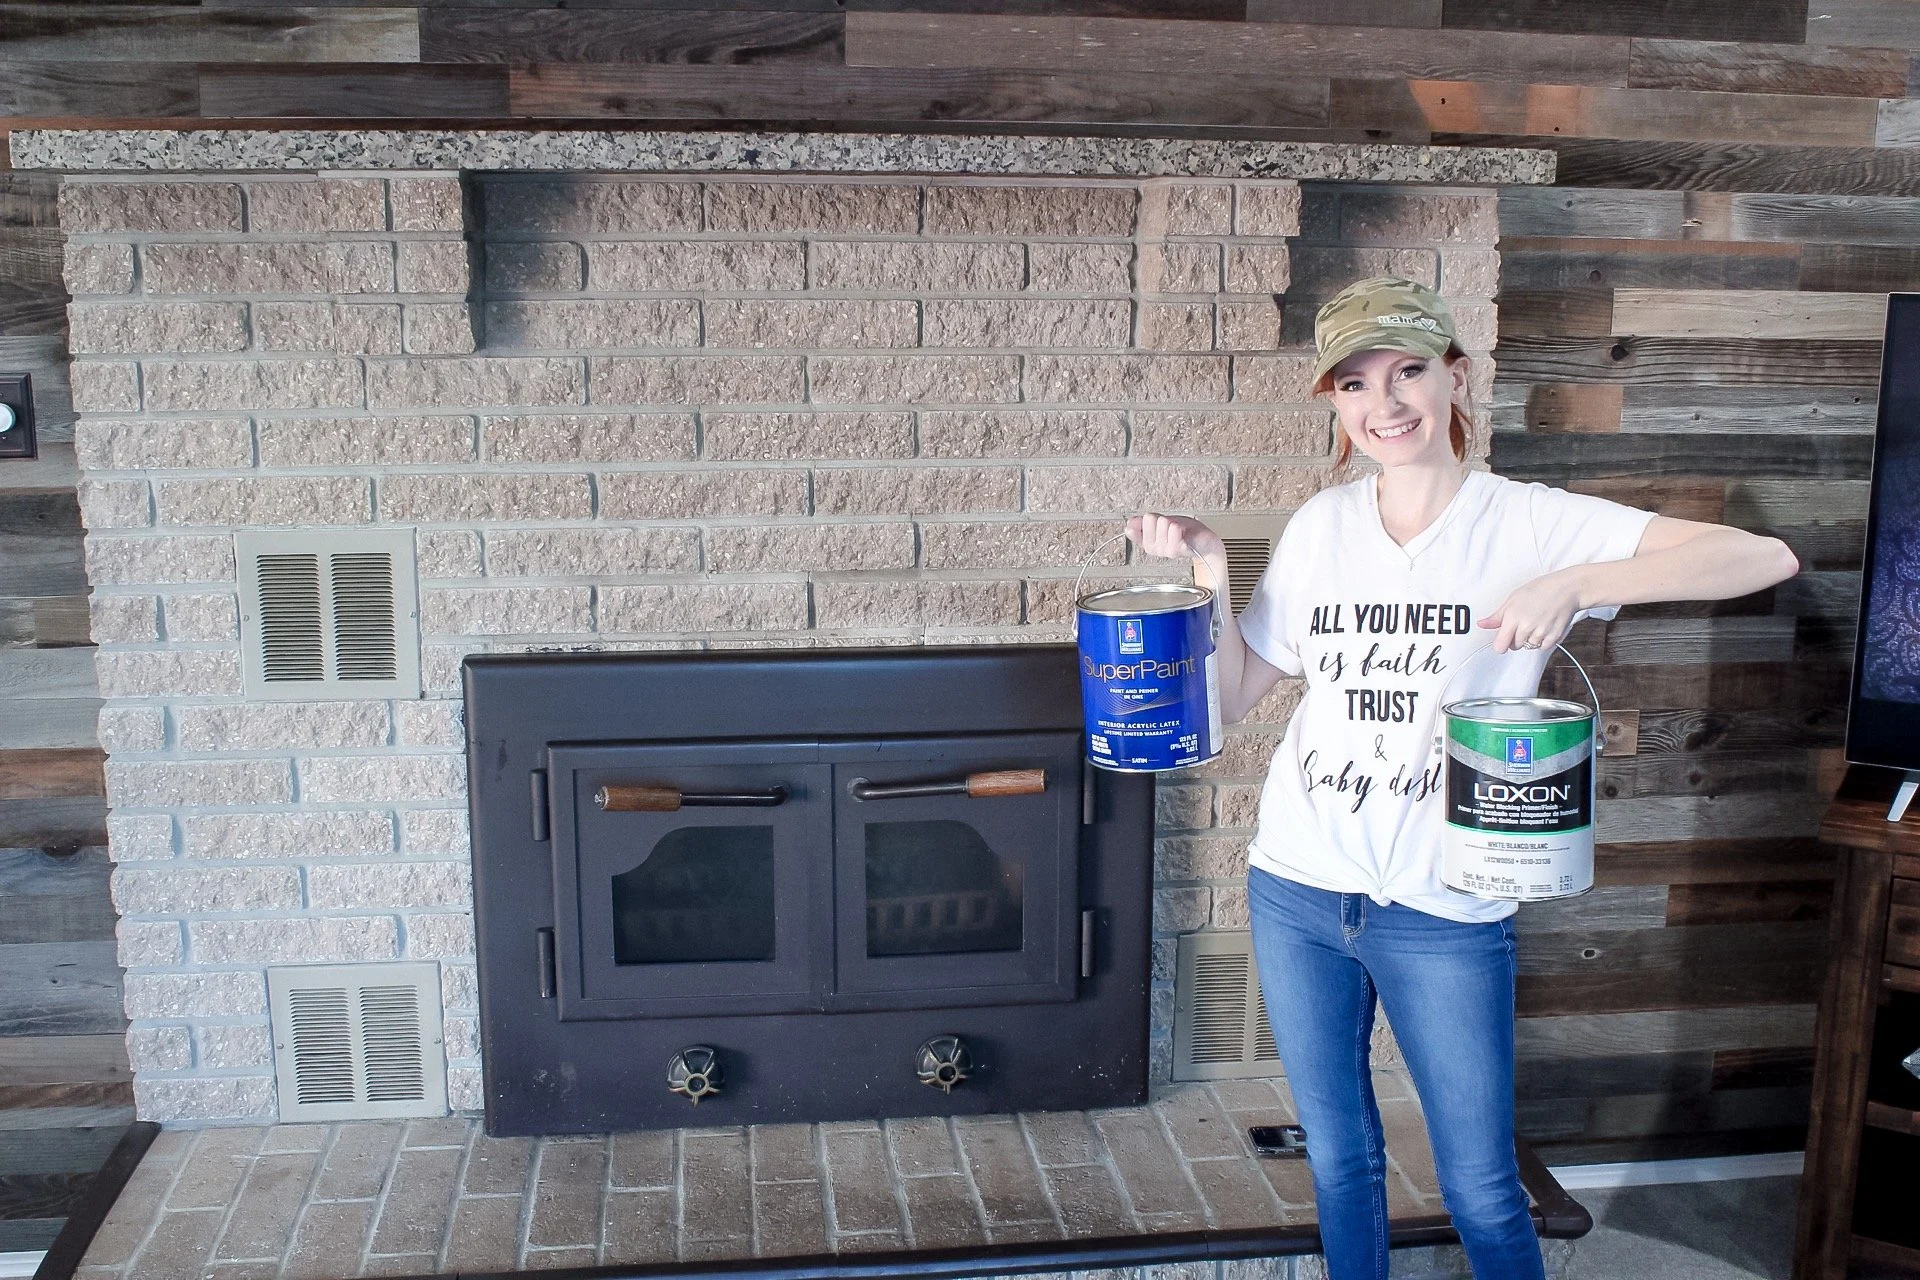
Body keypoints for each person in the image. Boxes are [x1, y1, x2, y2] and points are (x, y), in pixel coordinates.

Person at [1126, 277, 1801, 1280]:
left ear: (1453, 375)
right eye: (1356, 383)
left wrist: (1579, 582)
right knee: (1342, 1161)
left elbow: (1764, 554)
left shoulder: (1529, 522)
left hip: (1445, 906)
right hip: (1298, 885)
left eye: (1405, 371)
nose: (1384, 402)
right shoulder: (1321, 527)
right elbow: (1228, 703)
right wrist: (1213, 570)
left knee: (1482, 1183)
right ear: (1335, 404)